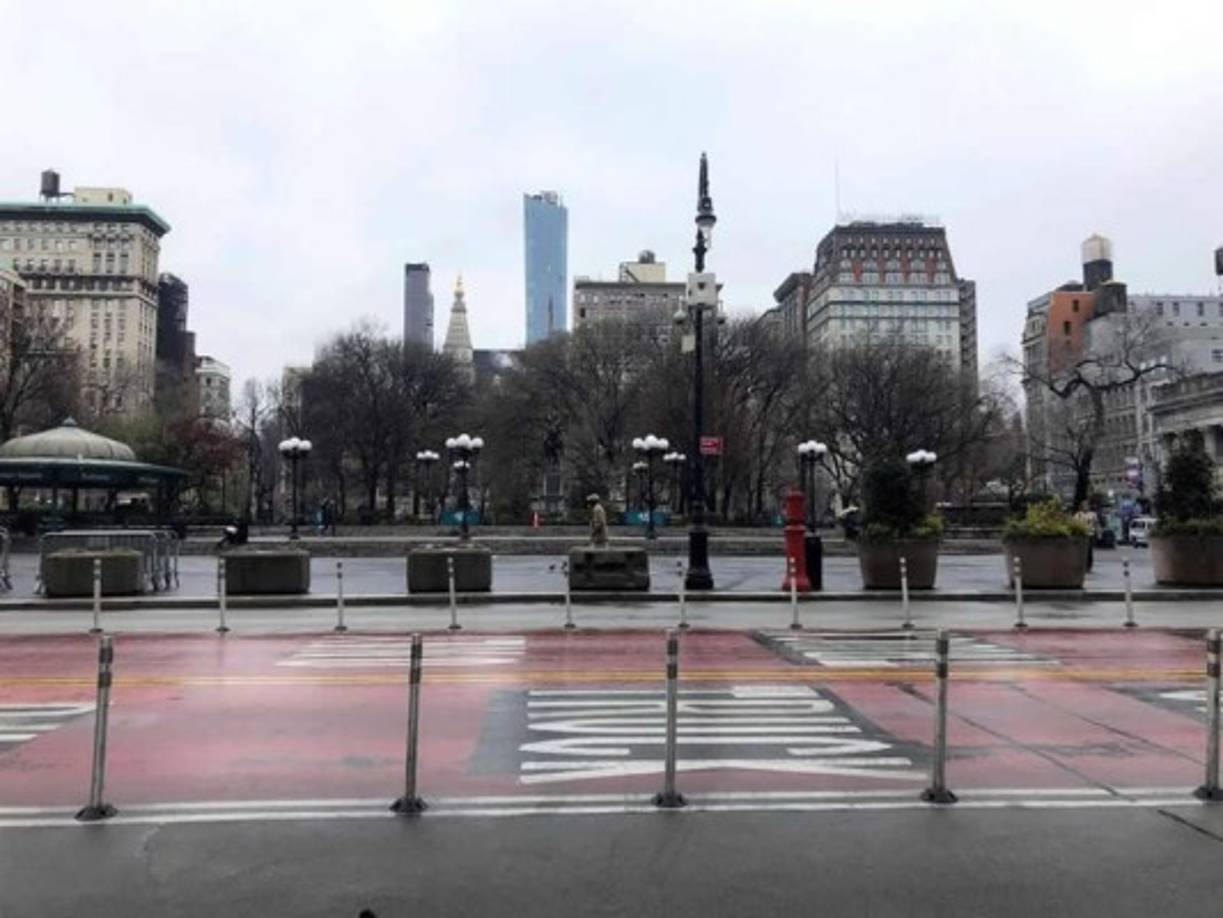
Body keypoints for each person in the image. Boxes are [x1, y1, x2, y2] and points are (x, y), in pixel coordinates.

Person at [1075, 501, 1098, 572]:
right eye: (1084, 506)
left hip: (1090, 534)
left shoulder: (1092, 514)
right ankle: (1081, 565)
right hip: (1081, 534)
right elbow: (1075, 523)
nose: (1085, 507)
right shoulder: (1078, 514)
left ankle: (1088, 566)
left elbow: (1095, 524)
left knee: (1089, 551)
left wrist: (1096, 531)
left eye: (1087, 506)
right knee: (1081, 551)